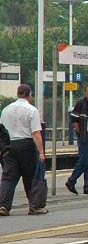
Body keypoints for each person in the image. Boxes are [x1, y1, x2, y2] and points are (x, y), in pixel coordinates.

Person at [0, 84, 48, 215]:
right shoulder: (31, 110)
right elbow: (36, 133)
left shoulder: (5, 110)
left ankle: (3, 206)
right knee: (31, 176)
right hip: (26, 145)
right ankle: (35, 206)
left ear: (18, 94)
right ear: (29, 94)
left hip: (9, 146)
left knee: (8, 177)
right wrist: (41, 152)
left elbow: (2, 130)